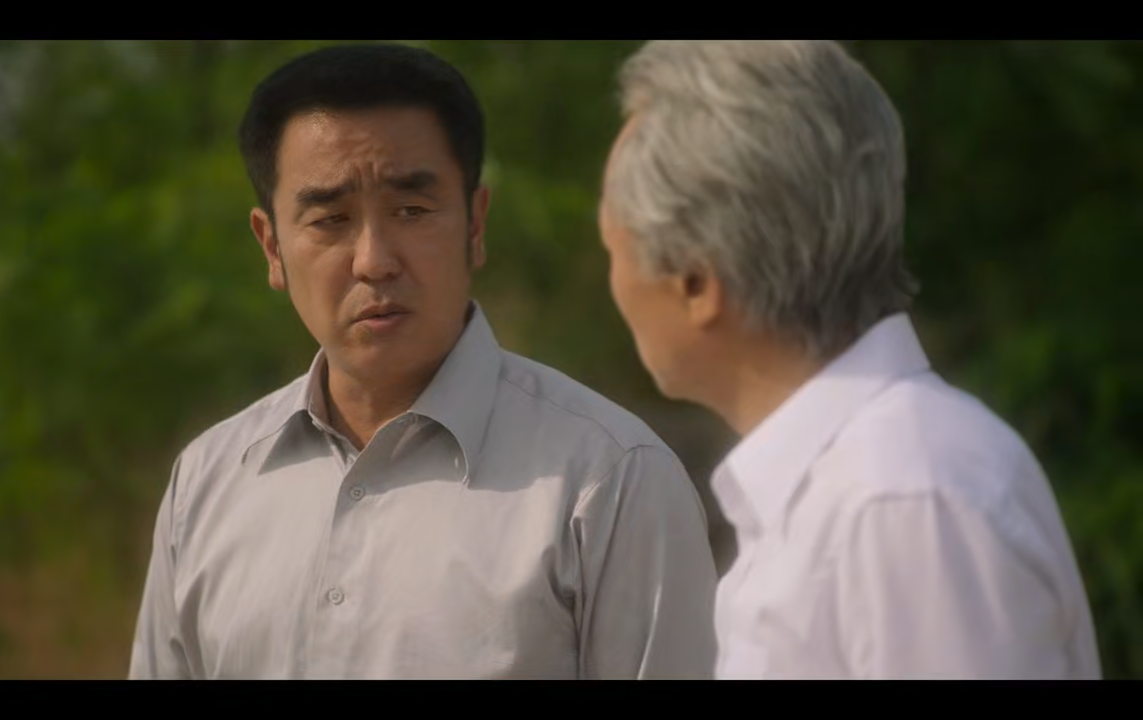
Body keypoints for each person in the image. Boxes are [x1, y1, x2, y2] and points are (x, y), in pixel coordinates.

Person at [127, 42, 718, 680]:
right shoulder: (207, 482)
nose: (374, 260)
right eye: (330, 219)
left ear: (475, 225)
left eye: (412, 211)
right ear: (271, 247)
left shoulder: (609, 479)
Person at [595, 39, 1101, 679]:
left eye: (613, 246)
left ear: (697, 282)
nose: (612, 280)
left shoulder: (902, 501)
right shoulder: (862, 489)